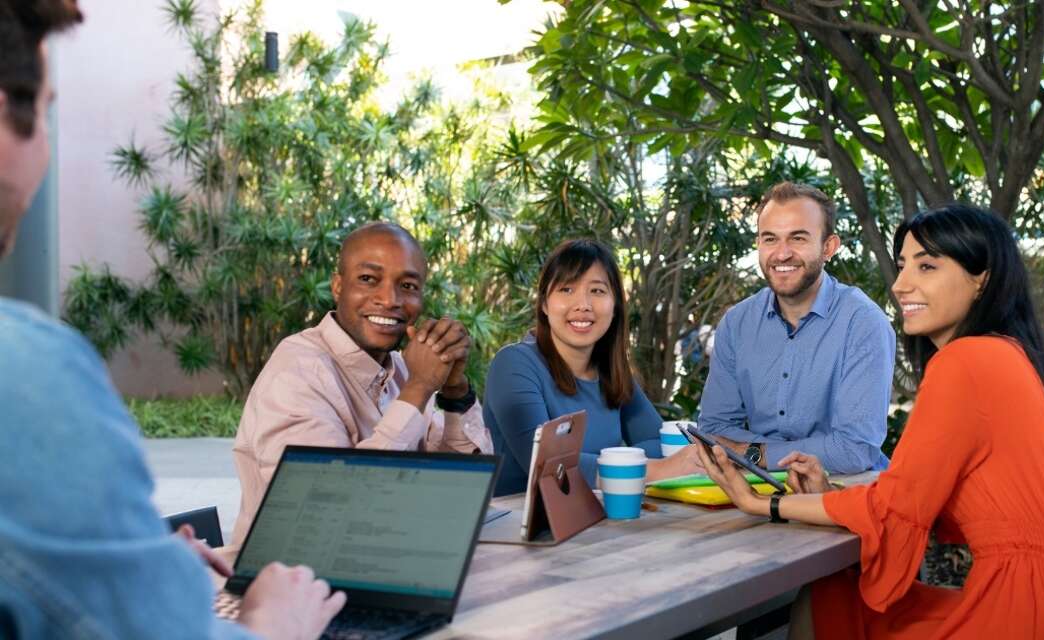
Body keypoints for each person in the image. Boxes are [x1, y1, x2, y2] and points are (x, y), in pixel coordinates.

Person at [0, 2, 343, 638]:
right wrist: (275, 626)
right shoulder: (24, 374)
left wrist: (138, 572)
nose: (45, 150)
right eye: (45, 113)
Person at [696, 204, 1044, 639]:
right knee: (833, 591)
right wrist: (829, 498)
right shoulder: (1012, 355)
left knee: (832, 598)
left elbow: (896, 509)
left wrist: (762, 504)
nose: (902, 285)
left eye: (926, 266)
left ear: (982, 279)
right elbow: (917, 501)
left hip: (1012, 611)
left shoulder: (967, 362)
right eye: (903, 265)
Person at [228, 222, 492, 555]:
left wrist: (455, 391)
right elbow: (333, 511)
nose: (389, 299)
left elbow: (461, 485)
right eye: (368, 279)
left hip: (384, 560)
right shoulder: (297, 372)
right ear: (338, 286)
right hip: (291, 582)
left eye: (408, 285)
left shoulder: (398, 370)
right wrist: (419, 389)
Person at [697, 181, 895, 474]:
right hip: (759, 488)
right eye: (770, 239)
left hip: (846, 489)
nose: (782, 253)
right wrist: (812, 449)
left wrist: (753, 453)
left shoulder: (863, 323)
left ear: (829, 247)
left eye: (798, 238)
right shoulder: (737, 323)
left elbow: (854, 450)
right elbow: (714, 429)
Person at [483, 239, 702, 496]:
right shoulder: (514, 365)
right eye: (566, 289)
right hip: (518, 528)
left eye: (597, 291)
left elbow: (656, 442)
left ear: (615, 305)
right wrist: (652, 470)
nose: (583, 304)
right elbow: (546, 465)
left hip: (597, 522)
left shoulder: (611, 373)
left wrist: (607, 468)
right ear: (544, 304)